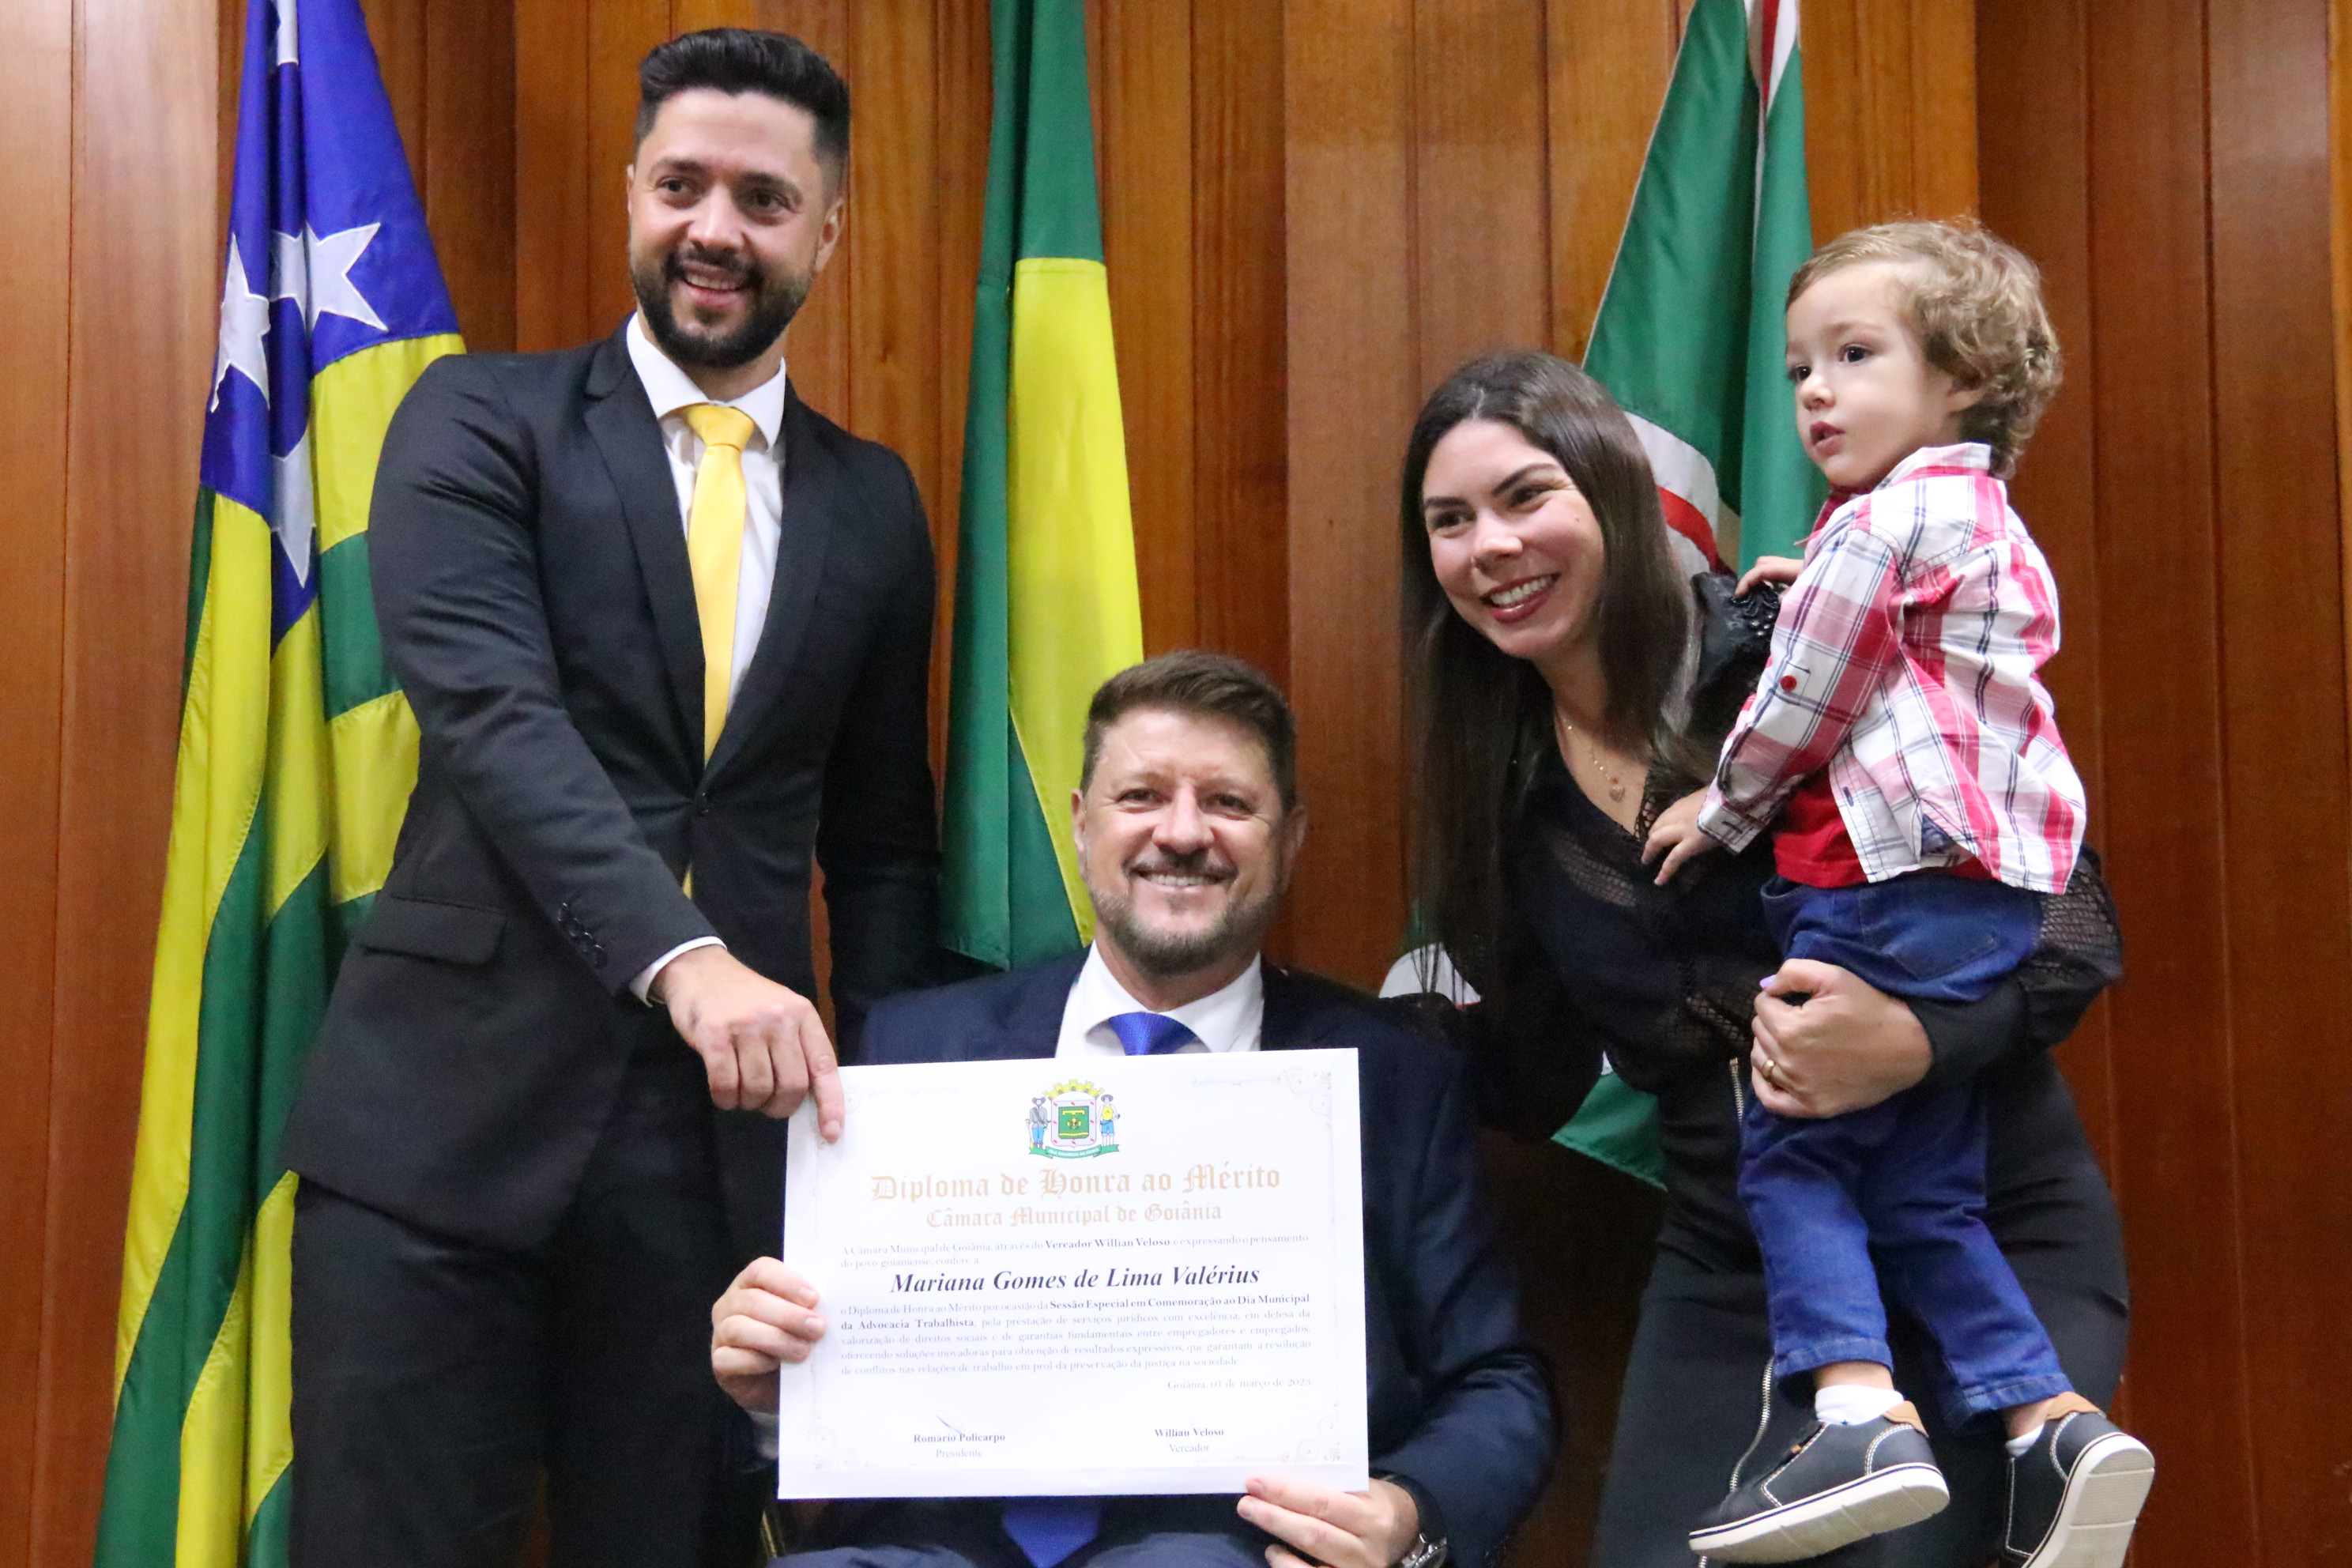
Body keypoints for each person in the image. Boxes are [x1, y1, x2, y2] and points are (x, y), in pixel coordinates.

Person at [281, 29, 940, 1568]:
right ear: (632, 192)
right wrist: (686, 956)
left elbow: (883, 848)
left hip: (715, 1185)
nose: (716, 227)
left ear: (828, 231)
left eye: (765, 199)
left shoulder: (874, 503)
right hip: (438, 1140)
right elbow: (496, 720)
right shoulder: (473, 419)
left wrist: (903, 1149)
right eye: (682, 185)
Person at [1395, 349, 2130, 1568]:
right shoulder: (1505, 791)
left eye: (1527, 497)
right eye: (1451, 521)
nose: (1494, 547)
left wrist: (1916, 1040)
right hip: (1743, 1266)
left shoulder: (1785, 654)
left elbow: (2063, 912)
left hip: (1973, 1229)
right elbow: (1533, 1065)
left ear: (1612, 493)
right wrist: (1296, 1052)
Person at [710, 651, 1557, 1568]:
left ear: (1291, 837)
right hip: (925, 1547)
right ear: (1081, 824)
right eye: (1142, 796)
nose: (1182, 832)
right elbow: (846, 1364)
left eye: (1228, 802)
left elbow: (1497, 1378)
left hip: (1234, 1547)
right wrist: (780, 1390)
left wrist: (1409, 1513)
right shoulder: (917, 1047)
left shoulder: (1394, 1078)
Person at [1636, 222, 2152, 1563]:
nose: (1814, 390)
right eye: (1801, 365)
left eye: (1855, 356)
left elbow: (1805, 697)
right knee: (1924, 1197)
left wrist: (1722, 807)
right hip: (1983, 901)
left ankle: (1858, 1413)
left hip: (1879, 890)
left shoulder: (1875, 522)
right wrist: (1816, 582)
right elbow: (1910, 649)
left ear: (1963, 375)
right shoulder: (1982, 521)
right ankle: (2050, 1421)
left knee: (1795, 1148)